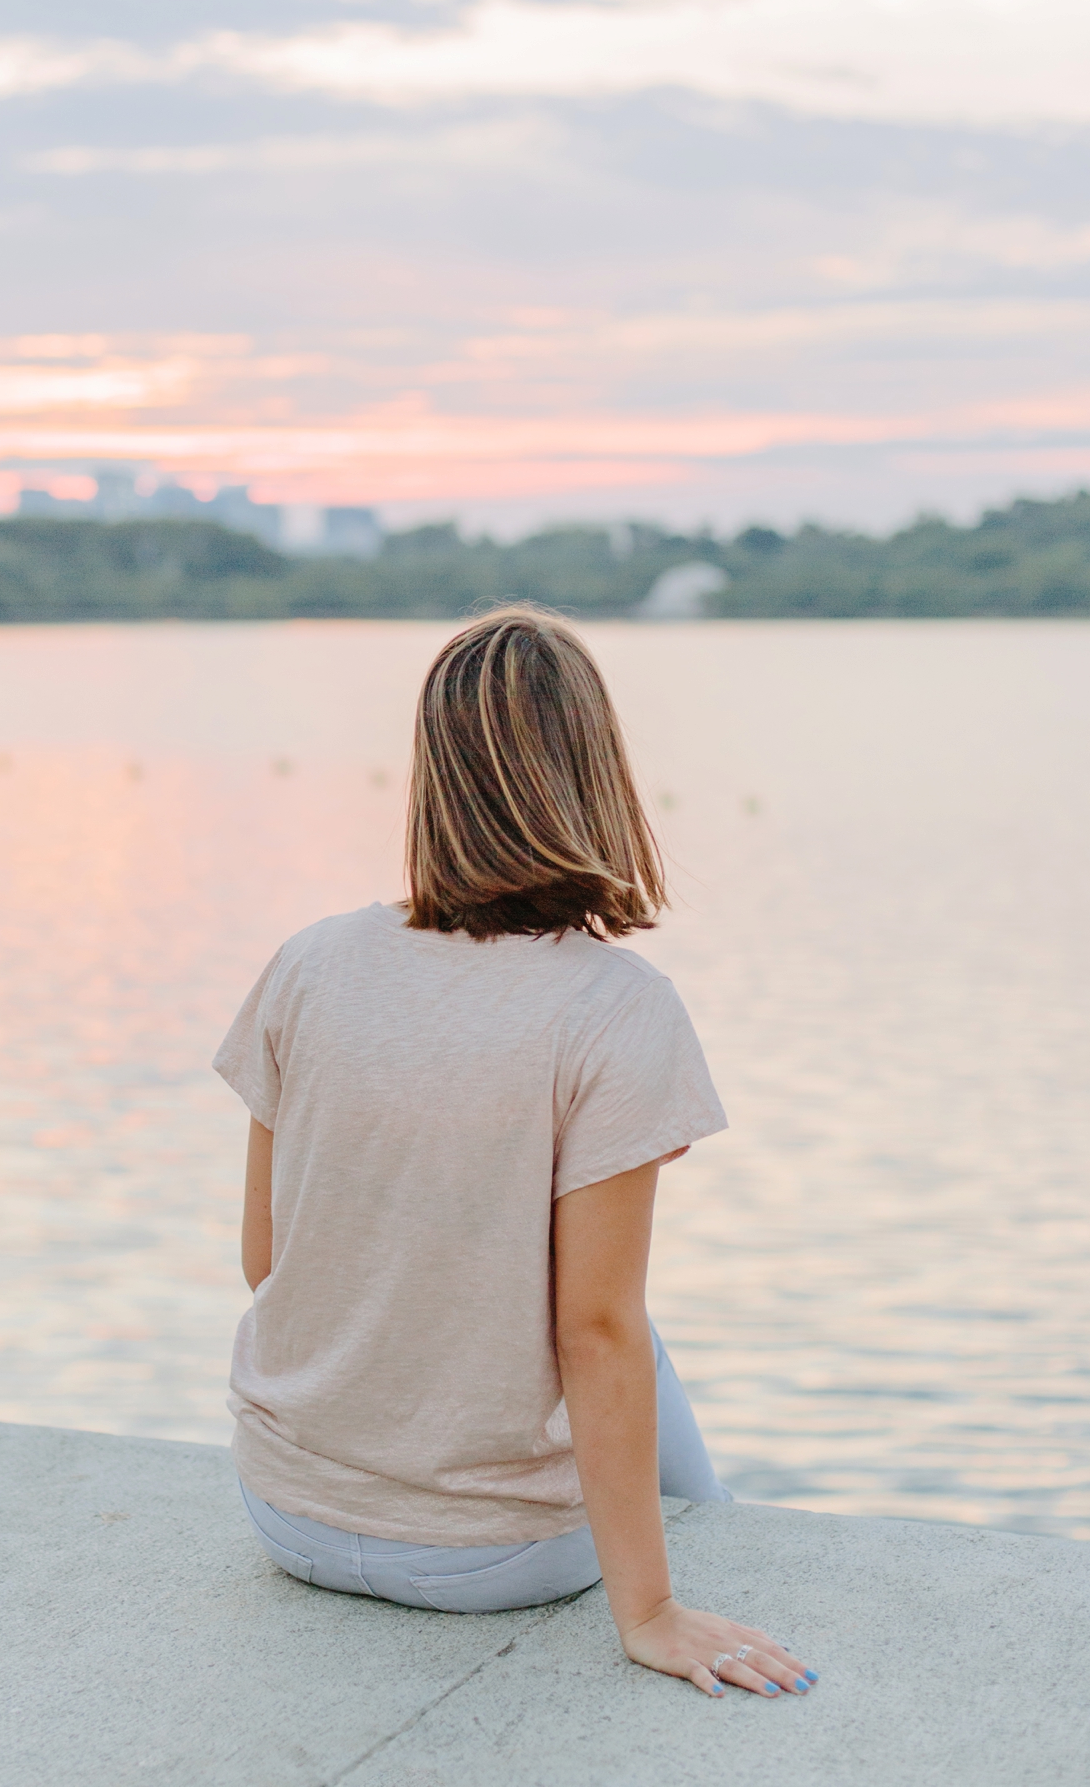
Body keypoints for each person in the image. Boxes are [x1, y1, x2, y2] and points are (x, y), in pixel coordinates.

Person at [213, 607, 816, 1700]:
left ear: (432, 773)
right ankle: (710, 1546)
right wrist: (648, 1614)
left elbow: (270, 1258)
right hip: (490, 1560)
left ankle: (709, 1529)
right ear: (596, 770)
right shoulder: (613, 1009)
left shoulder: (307, 964)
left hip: (284, 1512)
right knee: (627, 1323)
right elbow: (592, 1333)